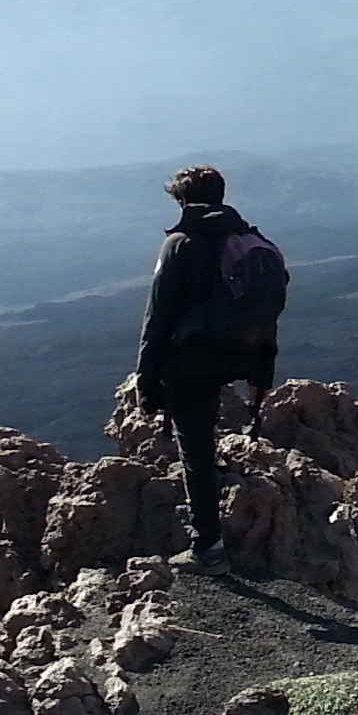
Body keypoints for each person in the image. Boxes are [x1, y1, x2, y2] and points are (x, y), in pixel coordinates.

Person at [133, 165, 284, 570]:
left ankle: (208, 548)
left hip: (192, 363)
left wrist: (146, 382)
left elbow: (158, 317)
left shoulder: (181, 244)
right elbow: (267, 314)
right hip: (241, 356)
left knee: (196, 451)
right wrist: (261, 375)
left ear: (183, 200)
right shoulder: (250, 240)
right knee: (203, 443)